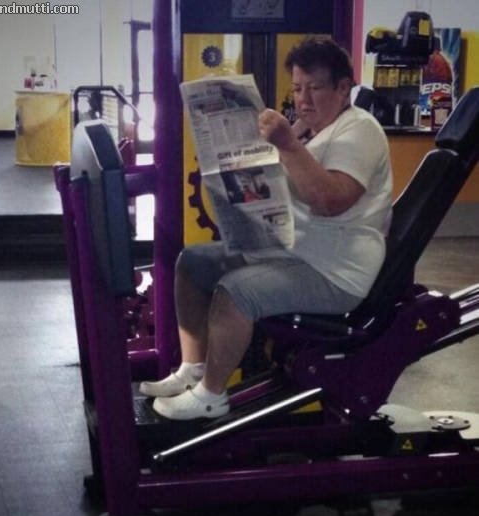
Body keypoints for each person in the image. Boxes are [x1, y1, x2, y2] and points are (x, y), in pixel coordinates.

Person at [140, 37, 393, 420]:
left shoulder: (359, 131)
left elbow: (330, 201)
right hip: (294, 249)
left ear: (344, 88)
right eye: (297, 88)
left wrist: (287, 145)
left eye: (315, 88)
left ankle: (210, 395)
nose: (303, 100)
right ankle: (192, 369)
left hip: (336, 271)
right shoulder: (310, 129)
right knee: (193, 263)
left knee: (237, 291)